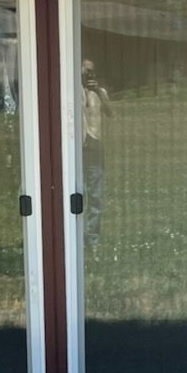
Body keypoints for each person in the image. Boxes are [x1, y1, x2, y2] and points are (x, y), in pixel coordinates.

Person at [81, 59, 111, 250]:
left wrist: (99, 91)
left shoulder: (100, 93)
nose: (88, 75)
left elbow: (110, 112)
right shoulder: (72, 91)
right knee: (78, 193)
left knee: (96, 195)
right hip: (78, 147)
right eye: (85, 71)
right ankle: (75, 237)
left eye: (91, 71)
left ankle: (92, 239)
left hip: (96, 147)